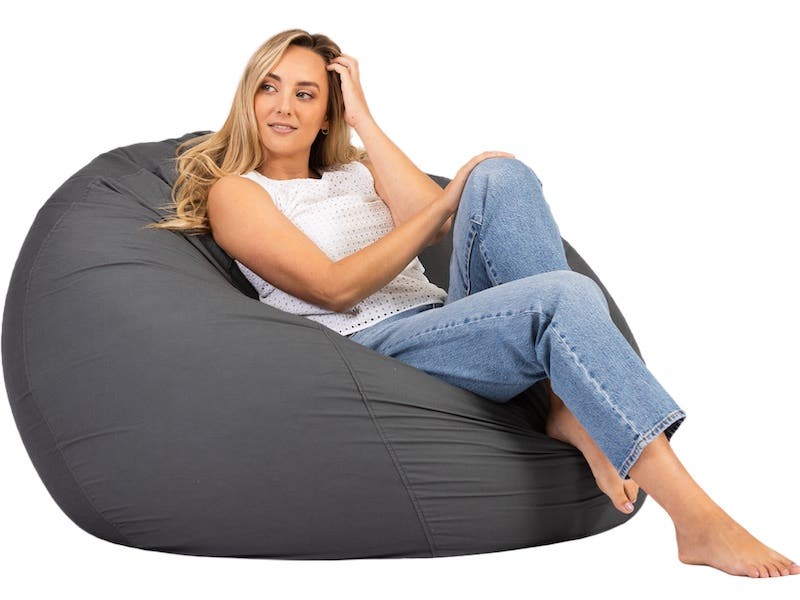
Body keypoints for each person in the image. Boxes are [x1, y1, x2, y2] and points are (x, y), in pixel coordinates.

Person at [146, 28, 799, 578]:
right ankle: (695, 518)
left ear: (327, 112)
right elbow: (333, 287)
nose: (283, 106)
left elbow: (434, 221)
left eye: (306, 93)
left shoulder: (353, 171)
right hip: (373, 351)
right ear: (248, 96)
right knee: (563, 294)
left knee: (500, 174)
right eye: (269, 87)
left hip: (441, 323)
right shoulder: (238, 191)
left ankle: (568, 407)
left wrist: (365, 121)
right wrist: (444, 202)